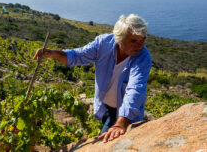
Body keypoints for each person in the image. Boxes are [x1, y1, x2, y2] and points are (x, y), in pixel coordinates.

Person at [33, 14, 152, 143]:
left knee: (105, 142)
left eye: (142, 40)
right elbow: (77, 56)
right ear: (119, 38)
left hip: (126, 114)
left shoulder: (143, 57)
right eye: (134, 41)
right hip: (105, 108)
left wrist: (120, 123)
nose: (140, 46)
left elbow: (135, 89)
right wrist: (53, 53)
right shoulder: (102, 44)